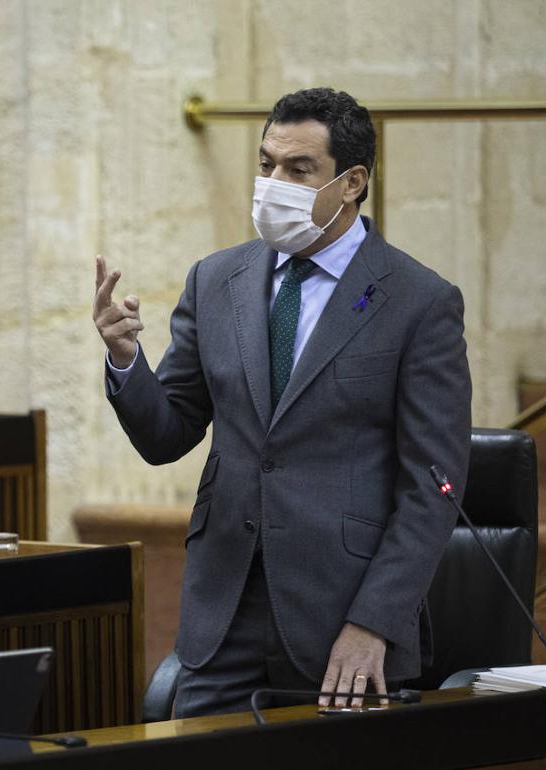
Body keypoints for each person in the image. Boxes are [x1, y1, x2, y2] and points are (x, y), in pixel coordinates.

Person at [93, 87, 471, 717]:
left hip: (343, 622)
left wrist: (373, 623)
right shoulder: (215, 280)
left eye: (299, 170)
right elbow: (168, 435)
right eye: (267, 164)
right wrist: (126, 360)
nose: (274, 183)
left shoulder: (419, 301)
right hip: (222, 612)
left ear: (351, 182)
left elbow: (432, 489)